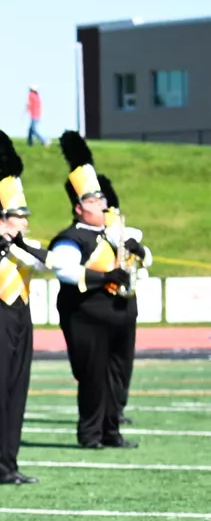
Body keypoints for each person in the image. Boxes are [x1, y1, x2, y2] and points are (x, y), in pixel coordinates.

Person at [46, 133, 144, 449]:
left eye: (101, 199)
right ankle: (90, 434)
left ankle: (112, 431)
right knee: (93, 377)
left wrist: (138, 250)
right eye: (92, 200)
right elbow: (65, 270)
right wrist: (106, 276)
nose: (101, 204)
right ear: (78, 208)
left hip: (122, 313)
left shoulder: (118, 232)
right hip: (88, 316)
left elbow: (147, 258)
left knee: (119, 375)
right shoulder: (70, 238)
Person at [0, 130, 49, 484]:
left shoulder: (27, 244)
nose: (27, 221)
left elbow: (45, 264)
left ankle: (12, 462)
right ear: (5, 216)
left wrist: (15, 243)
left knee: (18, 391)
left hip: (23, 317)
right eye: (21, 215)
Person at [100, 173, 150, 428]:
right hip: (103, 303)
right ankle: (105, 412)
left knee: (123, 363)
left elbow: (148, 258)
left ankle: (117, 408)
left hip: (127, 302)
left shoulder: (130, 235)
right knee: (104, 363)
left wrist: (137, 249)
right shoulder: (99, 239)